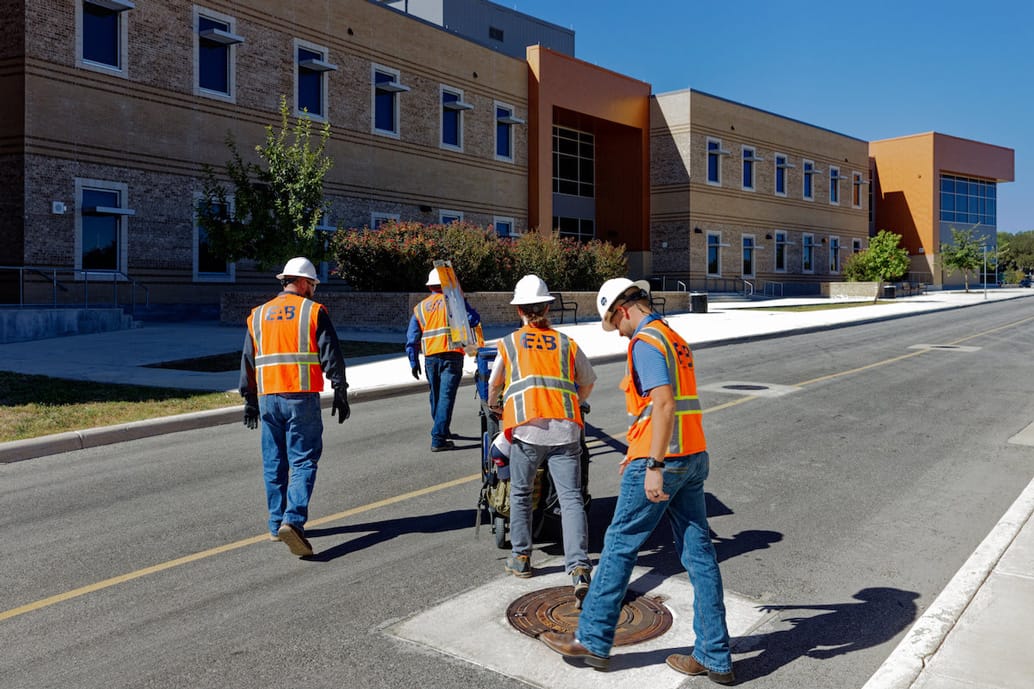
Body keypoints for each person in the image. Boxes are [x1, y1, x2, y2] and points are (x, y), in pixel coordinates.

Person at [539, 278, 734, 684]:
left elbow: (663, 402)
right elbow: (666, 406)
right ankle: (715, 656)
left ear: (624, 310)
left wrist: (654, 464)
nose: (619, 332)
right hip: (694, 456)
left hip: (664, 458)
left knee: (618, 547)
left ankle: (593, 638)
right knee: (699, 557)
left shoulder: (645, 342)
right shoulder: (674, 338)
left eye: (616, 323)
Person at [486, 275, 596, 601]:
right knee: (571, 498)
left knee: (520, 494)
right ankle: (578, 568)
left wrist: (496, 405)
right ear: (547, 307)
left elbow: (494, 385)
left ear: (519, 310)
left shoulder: (510, 343)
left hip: (527, 432)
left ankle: (521, 558)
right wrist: (574, 398)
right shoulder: (566, 343)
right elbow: (587, 381)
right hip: (565, 431)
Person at [240, 257, 350, 558]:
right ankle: (294, 521)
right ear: (302, 282)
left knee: (274, 461)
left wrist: (249, 398)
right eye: (312, 283)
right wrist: (340, 387)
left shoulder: (258, 314)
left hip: (267, 398)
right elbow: (331, 351)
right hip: (300, 397)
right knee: (303, 460)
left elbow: (248, 359)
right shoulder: (312, 311)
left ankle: (276, 524)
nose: (314, 289)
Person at [406, 266, 481, 452]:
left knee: (436, 396)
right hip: (452, 354)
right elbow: (474, 320)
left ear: (430, 286)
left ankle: (442, 429)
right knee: (446, 397)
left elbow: (412, 338)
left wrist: (413, 361)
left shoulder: (420, 308)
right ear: (446, 284)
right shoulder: (454, 302)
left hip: (431, 357)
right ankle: (438, 438)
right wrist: (464, 301)